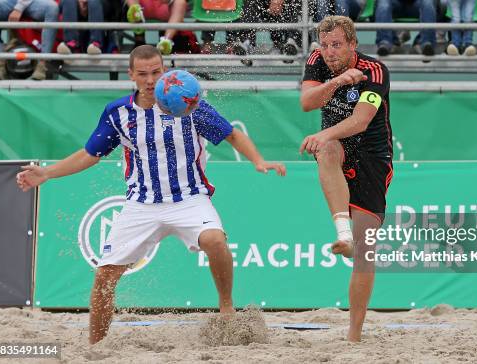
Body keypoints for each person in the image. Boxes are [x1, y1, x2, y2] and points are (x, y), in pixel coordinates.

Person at [16, 45, 286, 344]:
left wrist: (259, 161)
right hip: (141, 204)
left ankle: (225, 306)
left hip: (189, 198)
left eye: (156, 72)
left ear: (165, 71)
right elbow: (90, 154)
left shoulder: (188, 102)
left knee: (215, 240)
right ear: (131, 74)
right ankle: (95, 346)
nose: (149, 80)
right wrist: (48, 173)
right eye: (142, 74)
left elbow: (232, 134)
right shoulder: (118, 113)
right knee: (104, 276)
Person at [299, 15, 393, 342]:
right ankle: (343, 233)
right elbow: (307, 102)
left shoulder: (375, 70)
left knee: (366, 251)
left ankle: (354, 335)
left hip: (372, 158)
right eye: (324, 45)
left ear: (353, 44)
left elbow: (361, 120)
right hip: (339, 147)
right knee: (325, 150)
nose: (329, 51)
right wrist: (337, 82)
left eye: (336, 44)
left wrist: (323, 132)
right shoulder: (317, 62)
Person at [0, 0, 59, 80]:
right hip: (8, 2)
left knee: (52, 7)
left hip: (33, 2)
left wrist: (19, 8)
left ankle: (43, 63)